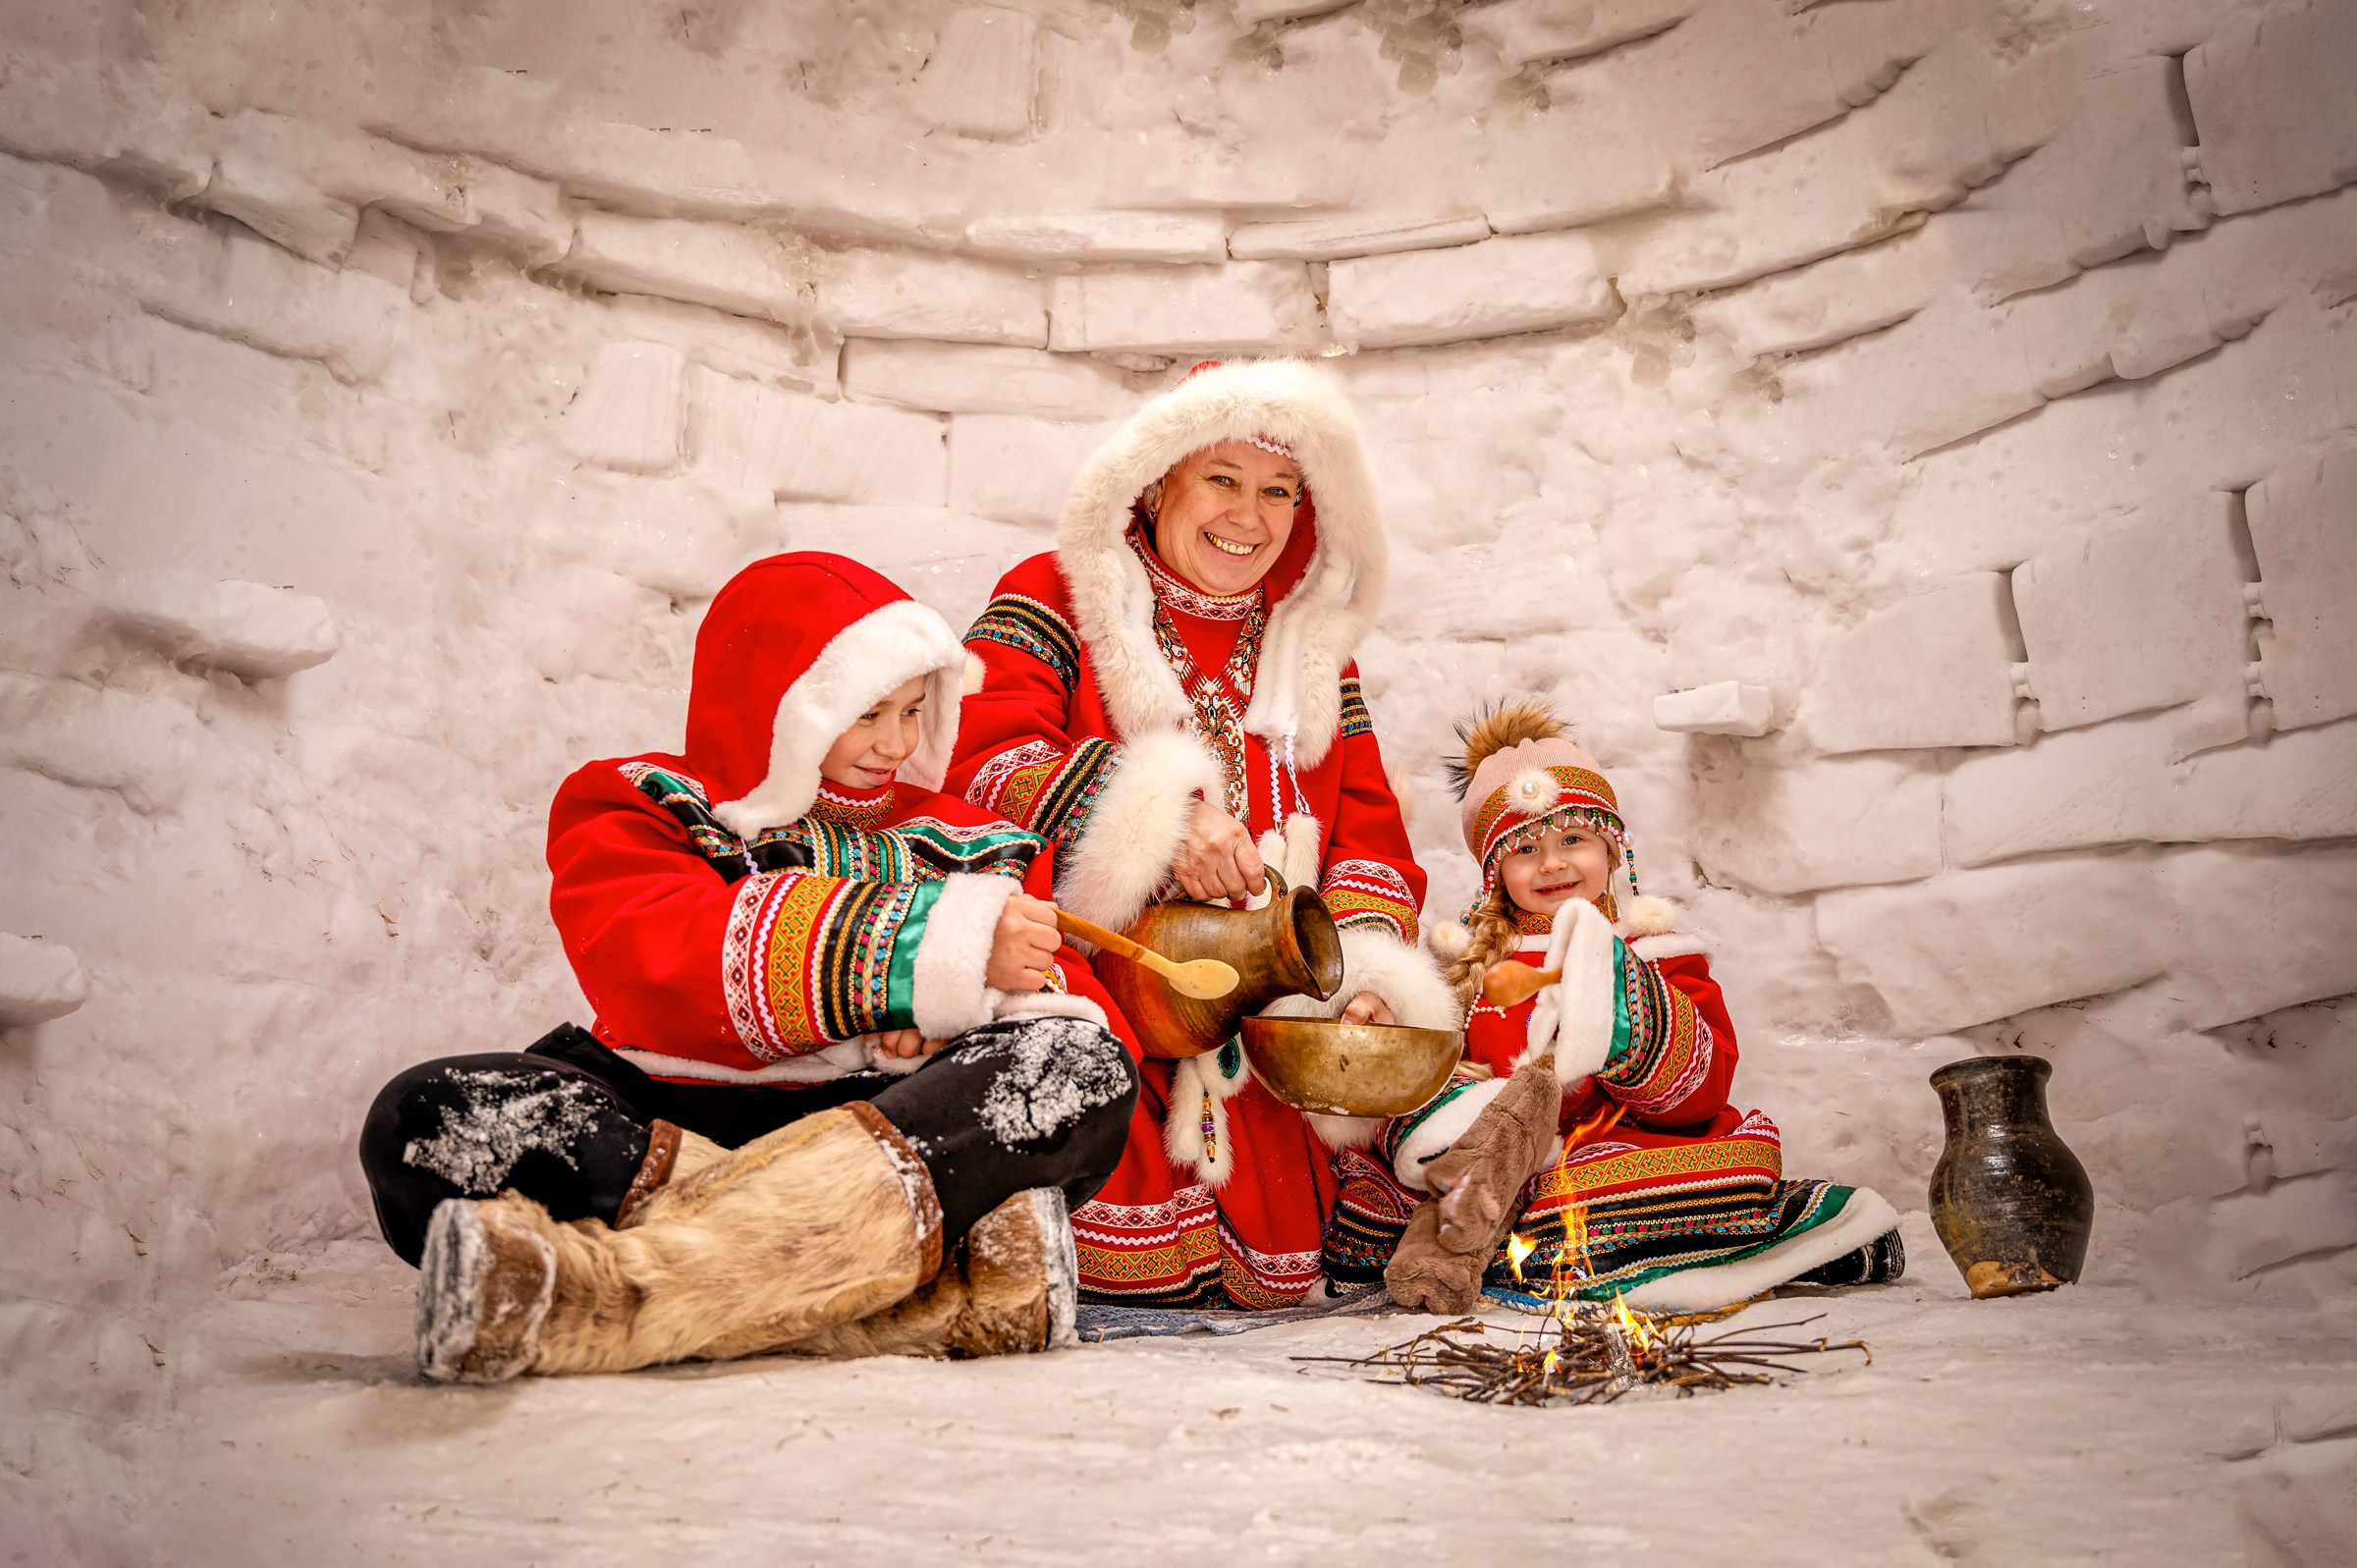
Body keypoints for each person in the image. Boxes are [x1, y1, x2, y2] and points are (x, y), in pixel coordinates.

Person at [358, 554, 1141, 1381]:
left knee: (1077, 1069)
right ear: (778, 708)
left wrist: (968, 1000)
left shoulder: (971, 841)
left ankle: (612, 1293)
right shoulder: (642, 805)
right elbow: (660, 959)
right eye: (865, 711)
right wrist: (909, 961)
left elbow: (1063, 1000)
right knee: (428, 1119)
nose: (896, 741)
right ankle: (915, 1300)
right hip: (673, 1111)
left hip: (887, 1118)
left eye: (914, 710)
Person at [949, 358, 1456, 1309]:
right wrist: (1161, 822)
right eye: (1221, 480)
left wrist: (1359, 978)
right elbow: (975, 768)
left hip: (1268, 1029)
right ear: (1156, 481)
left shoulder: (1306, 643)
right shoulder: (1059, 592)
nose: (1250, 517)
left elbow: (1370, 835)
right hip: (1104, 997)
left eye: (1278, 491)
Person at [1325, 701, 1905, 1314]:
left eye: (1573, 839)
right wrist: (1456, 1114)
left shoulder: (1654, 951)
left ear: (1613, 846)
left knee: (1609, 1195)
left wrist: (1619, 1008)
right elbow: (1418, 1085)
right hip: (1492, 1166)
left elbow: (1703, 1092)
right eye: (1525, 849)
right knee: (1377, 1201)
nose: (1551, 863)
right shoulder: (1463, 969)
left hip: (1612, 1149)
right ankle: (1557, 1244)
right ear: (1495, 872)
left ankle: (1795, 1232)